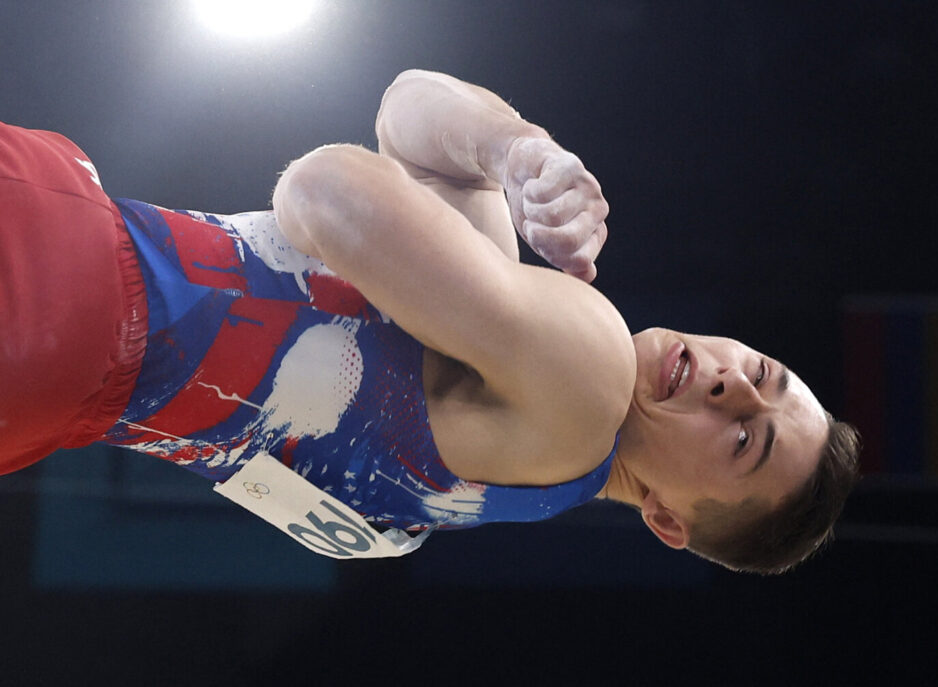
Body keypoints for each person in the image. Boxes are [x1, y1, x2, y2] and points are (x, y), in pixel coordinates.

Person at [0, 70, 859, 574]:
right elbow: (410, 112)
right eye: (766, 373)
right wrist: (512, 151)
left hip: (67, 277)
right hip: (60, 401)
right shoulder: (502, 469)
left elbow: (323, 190)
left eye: (744, 437)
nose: (730, 383)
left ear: (669, 519)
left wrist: (509, 160)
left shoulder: (591, 375)